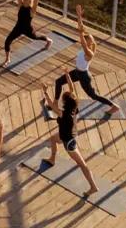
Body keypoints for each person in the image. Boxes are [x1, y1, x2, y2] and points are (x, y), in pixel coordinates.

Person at [52, 5, 120, 116]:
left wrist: (80, 33)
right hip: (78, 72)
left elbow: (82, 41)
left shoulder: (89, 53)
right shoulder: (87, 44)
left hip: (84, 76)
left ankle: (114, 106)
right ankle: (55, 102)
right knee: (58, 81)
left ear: (89, 42)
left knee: (93, 96)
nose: (85, 38)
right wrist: (79, 16)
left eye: (87, 38)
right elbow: (81, 28)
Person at [41, 68, 99, 196]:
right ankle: (52, 159)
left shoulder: (63, 113)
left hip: (69, 142)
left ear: (66, 102)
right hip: (66, 136)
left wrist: (45, 92)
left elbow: (51, 105)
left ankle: (93, 186)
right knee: (53, 139)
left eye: (63, 99)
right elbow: (72, 90)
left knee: (82, 165)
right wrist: (67, 75)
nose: (61, 100)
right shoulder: (74, 107)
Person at [0, 0, 52, 68]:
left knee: (36, 37)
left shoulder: (32, 10)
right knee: (7, 41)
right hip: (18, 28)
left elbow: (36, 0)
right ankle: (7, 59)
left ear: (29, 1)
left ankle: (48, 40)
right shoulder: (21, 5)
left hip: (28, 29)